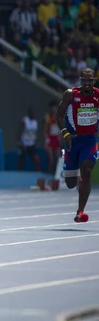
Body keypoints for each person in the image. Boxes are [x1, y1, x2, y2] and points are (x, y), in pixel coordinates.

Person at [55, 68, 99, 223]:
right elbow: (59, 114)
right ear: (80, 81)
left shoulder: (98, 96)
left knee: (86, 169)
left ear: (94, 80)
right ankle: (77, 177)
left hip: (90, 141)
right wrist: (65, 133)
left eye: (90, 81)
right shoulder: (71, 95)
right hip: (72, 142)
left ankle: (80, 212)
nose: (87, 84)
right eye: (84, 81)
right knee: (70, 183)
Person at [17, 106, 41, 171]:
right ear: (29, 113)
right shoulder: (25, 120)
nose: (33, 114)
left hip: (31, 145)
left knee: (37, 160)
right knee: (21, 161)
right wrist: (20, 143)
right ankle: (18, 173)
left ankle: (37, 173)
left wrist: (35, 142)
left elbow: (35, 133)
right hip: (24, 145)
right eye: (32, 112)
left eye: (34, 113)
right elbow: (19, 132)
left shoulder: (35, 122)